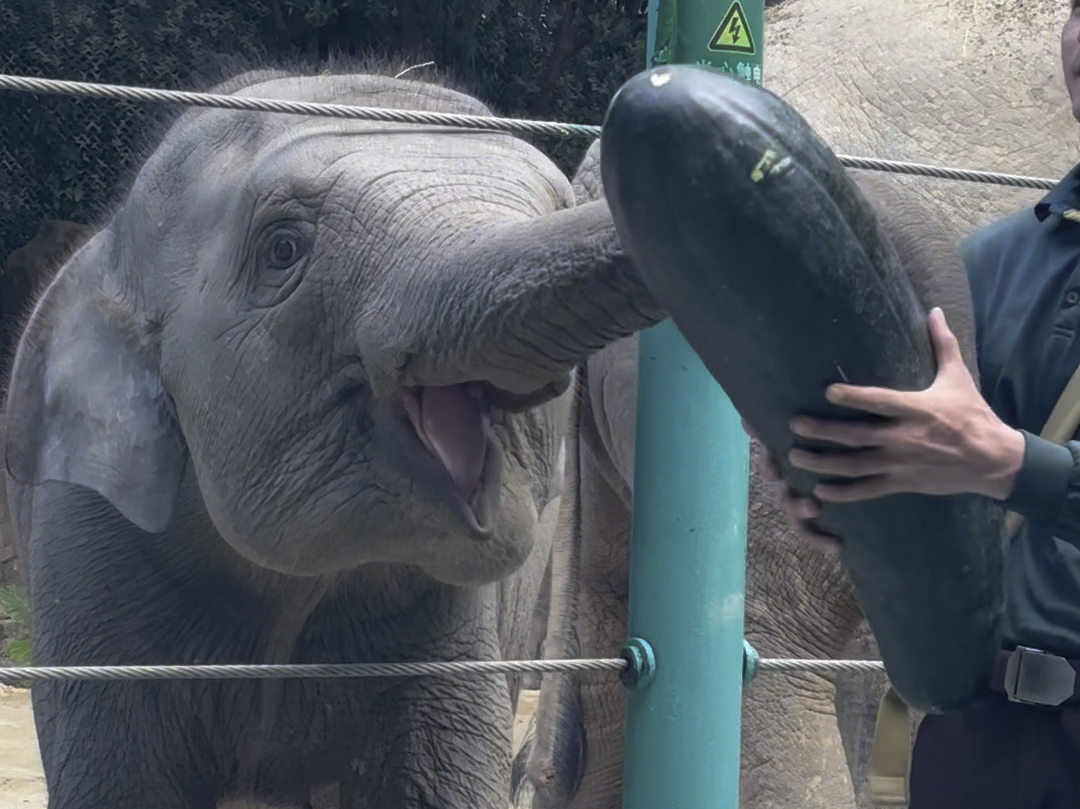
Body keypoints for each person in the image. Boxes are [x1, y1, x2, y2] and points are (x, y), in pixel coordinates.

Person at [754, 4, 1080, 806]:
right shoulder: (992, 262)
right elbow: (942, 505)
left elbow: (995, 465)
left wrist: (1013, 465)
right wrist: (848, 484)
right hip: (979, 739)